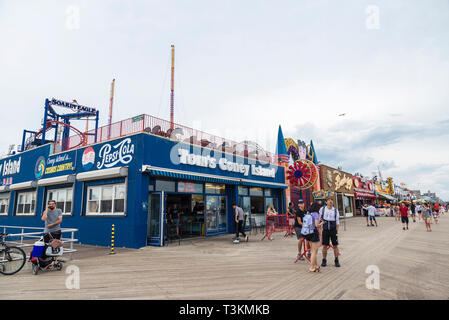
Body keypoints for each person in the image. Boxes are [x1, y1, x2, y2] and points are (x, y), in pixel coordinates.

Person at [301, 202, 323, 273]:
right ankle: (311, 267)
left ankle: (316, 266)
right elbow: (316, 225)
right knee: (314, 252)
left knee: (313, 251)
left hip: (308, 233)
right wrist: (322, 223)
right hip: (314, 233)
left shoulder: (308, 213)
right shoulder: (315, 214)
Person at [319, 197, 341, 268]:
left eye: (332, 200)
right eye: (329, 200)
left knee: (335, 245)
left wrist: (336, 231)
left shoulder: (335, 210)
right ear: (326, 202)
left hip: (333, 230)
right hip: (325, 230)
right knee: (324, 246)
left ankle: (336, 260)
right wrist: (320, 228)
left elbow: (337, 222)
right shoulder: (322, 209)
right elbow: (319, 219)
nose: (330, 201)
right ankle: (324, 260)